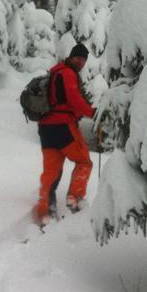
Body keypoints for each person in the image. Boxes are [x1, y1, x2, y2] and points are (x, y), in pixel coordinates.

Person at [33, 43, 94, 224]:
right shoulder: (67, 73)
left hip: (46, 129)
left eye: (83, 60)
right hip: (62, 126)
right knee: (84, 161)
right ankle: (74, 198)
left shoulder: (55, 72)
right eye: (78, 58)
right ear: (71, 56)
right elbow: (74, 99)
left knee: (51, 172)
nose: (80, 62)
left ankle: (45, 213)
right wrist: (93, 113)